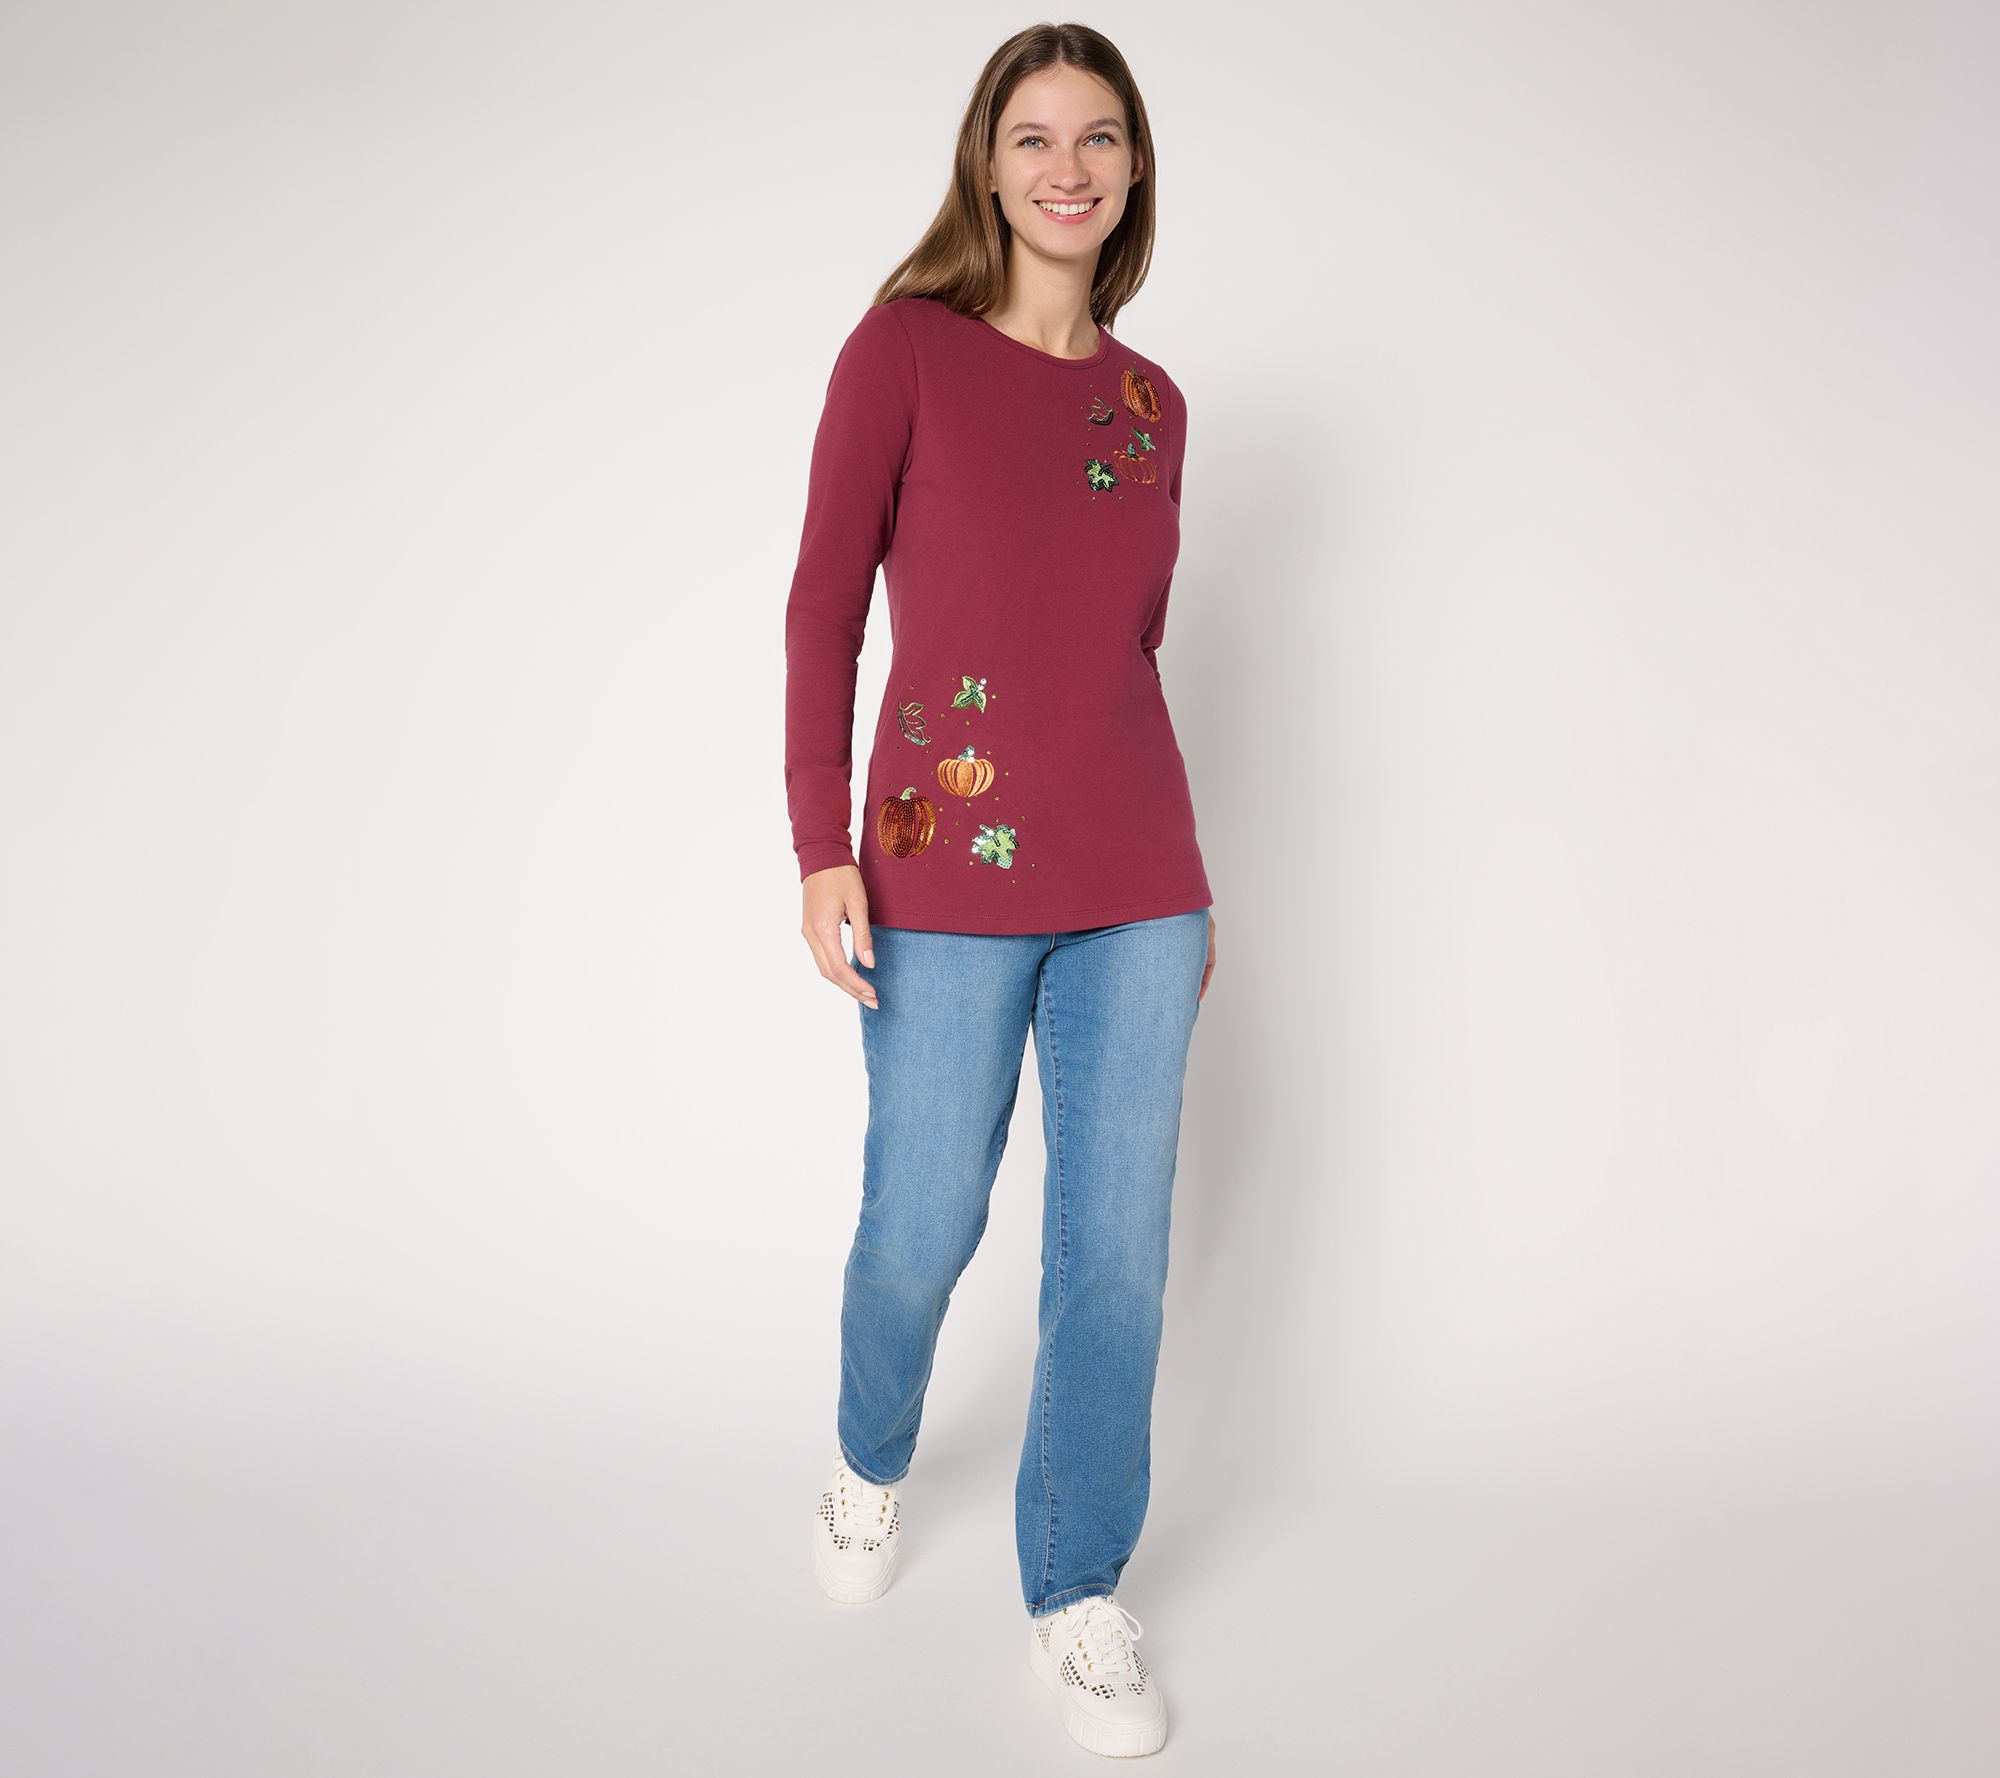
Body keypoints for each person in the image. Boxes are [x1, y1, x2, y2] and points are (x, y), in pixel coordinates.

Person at [783, 23, 1215, 1759]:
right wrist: (820, 841)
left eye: (1098, 136)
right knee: (922, 1222)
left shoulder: (1152, 404)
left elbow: (1126, 654)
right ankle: (866, 1455)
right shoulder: (901, 350)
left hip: (1139, 882)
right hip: (940, 869)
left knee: (1116, 1254)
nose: (1066, 167)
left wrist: (1185, 886)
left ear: (1133, 166)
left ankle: (1077, 1588)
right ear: (986, 161)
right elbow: (824, 607)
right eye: (1033, 136)